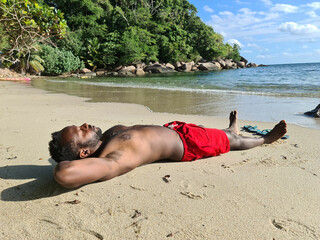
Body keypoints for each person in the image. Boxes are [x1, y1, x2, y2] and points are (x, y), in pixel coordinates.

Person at [49, 111, 287, 188]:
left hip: (176, 129)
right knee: (232, 142)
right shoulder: (116, 157)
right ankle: (265, 140)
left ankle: (230, 128)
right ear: (83, 153)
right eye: (81, 131)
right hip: (187, 145)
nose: (86, 125)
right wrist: (70, 163)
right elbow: (64, 173)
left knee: (219, 133)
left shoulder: (104, 140)